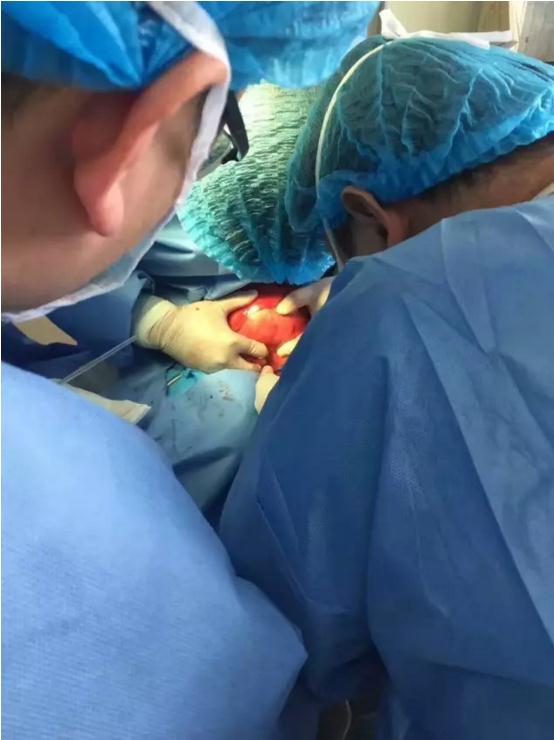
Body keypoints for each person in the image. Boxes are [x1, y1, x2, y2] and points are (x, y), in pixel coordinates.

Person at [1, 3, 381, 739]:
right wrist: (154, 319)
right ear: (126, 131)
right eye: (215, 135)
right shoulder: (73, 519)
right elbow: (250, 691)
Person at [219, 37, 554, 739]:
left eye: (341, 258)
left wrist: (350, 352)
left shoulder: (391, 310)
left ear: (370, 216)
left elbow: (297, 627)